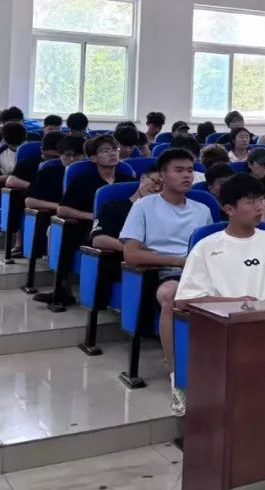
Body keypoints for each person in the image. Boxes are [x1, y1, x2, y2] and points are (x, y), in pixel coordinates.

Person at [120, 149, 213, 416]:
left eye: (190, 170)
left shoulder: (203, 209)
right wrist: (177, 261)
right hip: (162, 273)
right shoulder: (144, 207)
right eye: (178, 170)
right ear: (162, 175)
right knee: (172, 294)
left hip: (201, 272)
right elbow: (131, 254)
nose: (186, 176)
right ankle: (177, 375)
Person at [38, 135, 137, 307]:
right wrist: (91, 216)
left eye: (114, 150)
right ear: (93, 158)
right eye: (105, 151)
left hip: (122, 226)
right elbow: (63, 210)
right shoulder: (83, 181)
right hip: (89, 226)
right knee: (68, 232)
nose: (112, 154)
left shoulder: (128, 181)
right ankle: (61, 290)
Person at [175, 173, 265, 305]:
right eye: (250, 202)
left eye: (260, 200)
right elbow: (185, 300)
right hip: (227, 316)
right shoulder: (205, 248)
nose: (259, 207)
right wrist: (235, 303)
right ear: (229, 209)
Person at [90, 168, 164, 252]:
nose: (157, 188)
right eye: (156, 182)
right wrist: (137, 250)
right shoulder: (114, 207)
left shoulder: (163, 214)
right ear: (143, 178)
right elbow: (98, 240)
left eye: (163, 187)